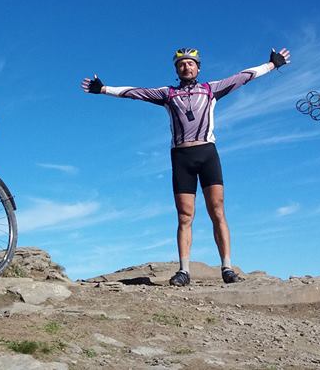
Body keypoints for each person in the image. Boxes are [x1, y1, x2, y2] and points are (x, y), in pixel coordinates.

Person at [80, 47, 291, 286]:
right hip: (181, 157)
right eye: (181, 64)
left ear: (198, 68)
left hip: (207, 153)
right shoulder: (167, 94)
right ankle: (184, 271)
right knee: (184, 216)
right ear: (176, 69)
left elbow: (243, 77)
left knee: (217, 212)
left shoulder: (211, 89)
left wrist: (272, 65)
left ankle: (227, 268)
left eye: (191, 63)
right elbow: (134, 92)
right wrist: (103, 89)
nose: (186, 67)